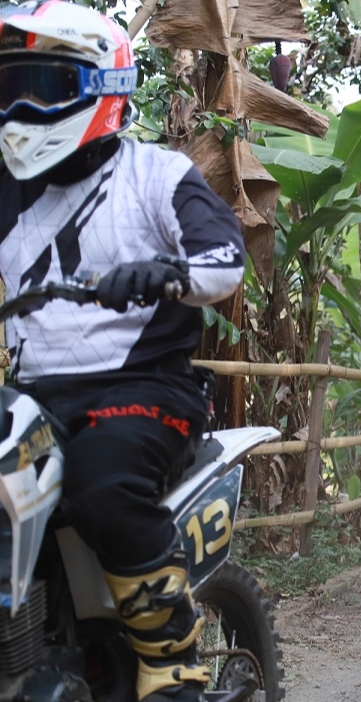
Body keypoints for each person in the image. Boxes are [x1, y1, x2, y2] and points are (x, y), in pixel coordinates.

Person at [0, 2, 245, 700]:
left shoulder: (157, 175)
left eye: (42, 85)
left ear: (102, 86)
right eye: (6, 88)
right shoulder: (7, 192)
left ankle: (174, 665)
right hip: (34, 396)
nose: (20, 106)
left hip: (144, 389)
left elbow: (225, 260)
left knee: (102, 485)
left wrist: (164, 273)